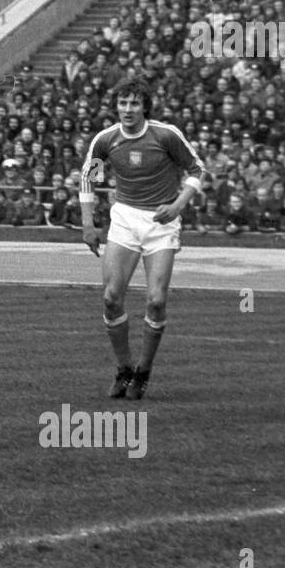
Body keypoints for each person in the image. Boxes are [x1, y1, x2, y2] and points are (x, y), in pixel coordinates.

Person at [80, 80, 204, 401]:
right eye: (123, 103)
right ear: (116, 106)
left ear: (145, 107)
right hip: (124, 219)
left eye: (134, 104)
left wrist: (178, 204)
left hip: (161, 222)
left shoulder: (165, 134)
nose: (128, 110)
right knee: (110, 297)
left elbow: (197, 169)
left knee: (156, 300)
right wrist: (87, 224)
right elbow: (88, 180)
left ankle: (143, 372)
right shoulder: (105, 140)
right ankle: (124, 369)